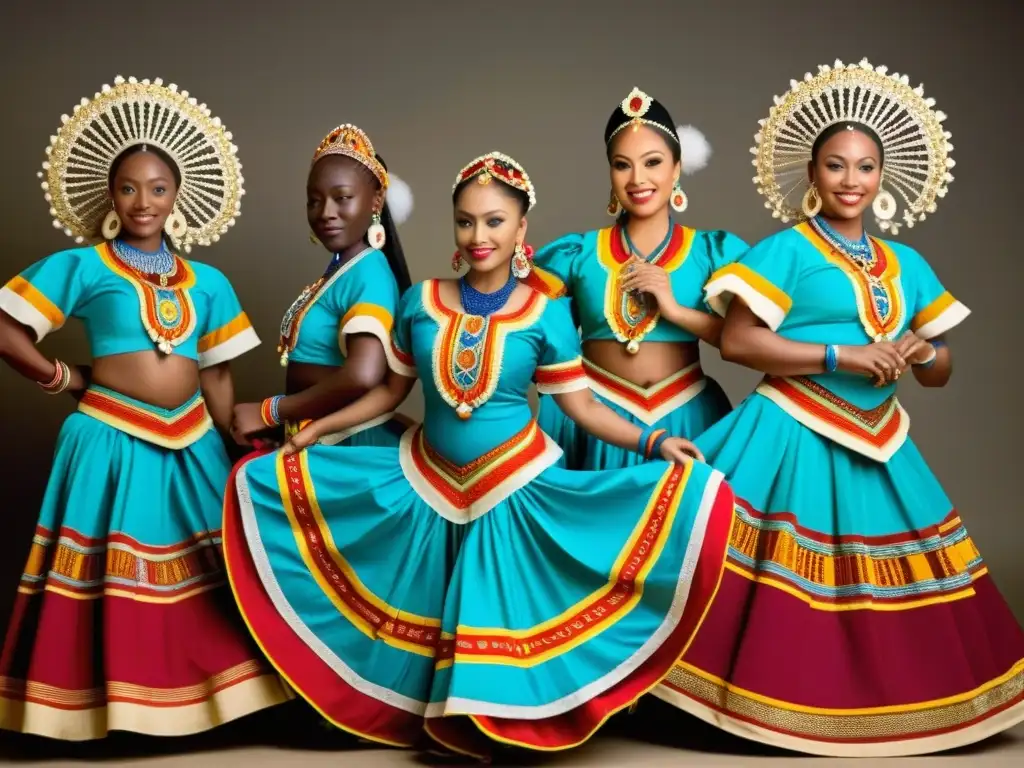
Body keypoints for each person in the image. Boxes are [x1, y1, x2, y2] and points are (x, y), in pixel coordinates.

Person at [221, 151, 738, 760]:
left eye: (495, 222)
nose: (478, 236)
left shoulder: (546, 314)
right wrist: (315, 429)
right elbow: (390, 391)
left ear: (522, 231)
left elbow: (584, 408)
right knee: (385, 595)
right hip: (428, 483)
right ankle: (408, 714)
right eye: (466, 222)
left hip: (512, 490)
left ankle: (489, 725)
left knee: (504, 629)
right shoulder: (420, 302)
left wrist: (653, 442)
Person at [653, 58, 1024, 756]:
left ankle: (879, 713)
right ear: (811, 175)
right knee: (746, 581)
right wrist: (842, 357)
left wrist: (920, 355)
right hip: (790, 428)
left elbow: (942, 371)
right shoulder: (786, 251)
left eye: (864, 167)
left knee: (888, 583)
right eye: (834, 166)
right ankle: (756, 708)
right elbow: (736, 341)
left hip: (881, 436)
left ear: (883, 178)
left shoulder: (907, 265)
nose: (850, 180)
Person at [0, 76, 289, 740]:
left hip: (191, 440)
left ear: (177, 196)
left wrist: (231, 442)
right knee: (110, 582)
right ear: (111, 195)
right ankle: (106, 713)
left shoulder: (209, 282)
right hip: (108, 436)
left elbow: (217, 376)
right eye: (129, 188)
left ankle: (217, 710)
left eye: (158, 188)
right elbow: (7, 327)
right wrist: (62, 377)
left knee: (216, 578)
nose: (143, 201)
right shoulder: (85, 266)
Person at [528, 87, 748, 471]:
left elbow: (747, 343)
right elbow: (530, 343)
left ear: (676, 169)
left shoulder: (712, 252)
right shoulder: (576, 255)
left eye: (653, 162)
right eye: (622, 164)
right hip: (594, 420)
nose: (637, 178)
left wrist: (675, 310)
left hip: (688, 416)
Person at [230, 124, 415, 450]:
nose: (326, 212)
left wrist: (269, 411)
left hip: (344, 441)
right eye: (314, 201)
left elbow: (363, 375)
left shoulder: (369, 273)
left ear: (376, 201)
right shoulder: (344, 270)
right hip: (316, 431)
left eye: (342, 198)